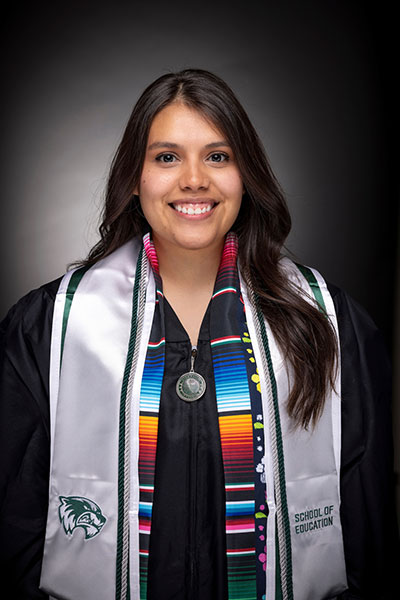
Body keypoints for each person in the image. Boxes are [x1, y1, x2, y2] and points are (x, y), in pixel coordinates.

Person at [0, 68, 398, 600]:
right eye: (167, 157)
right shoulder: (51, 328)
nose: (194, 180)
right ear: (134, 177)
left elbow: (368, 530)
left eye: (218, 156)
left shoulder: (325, 320)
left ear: (245, 174)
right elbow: (12, 528)